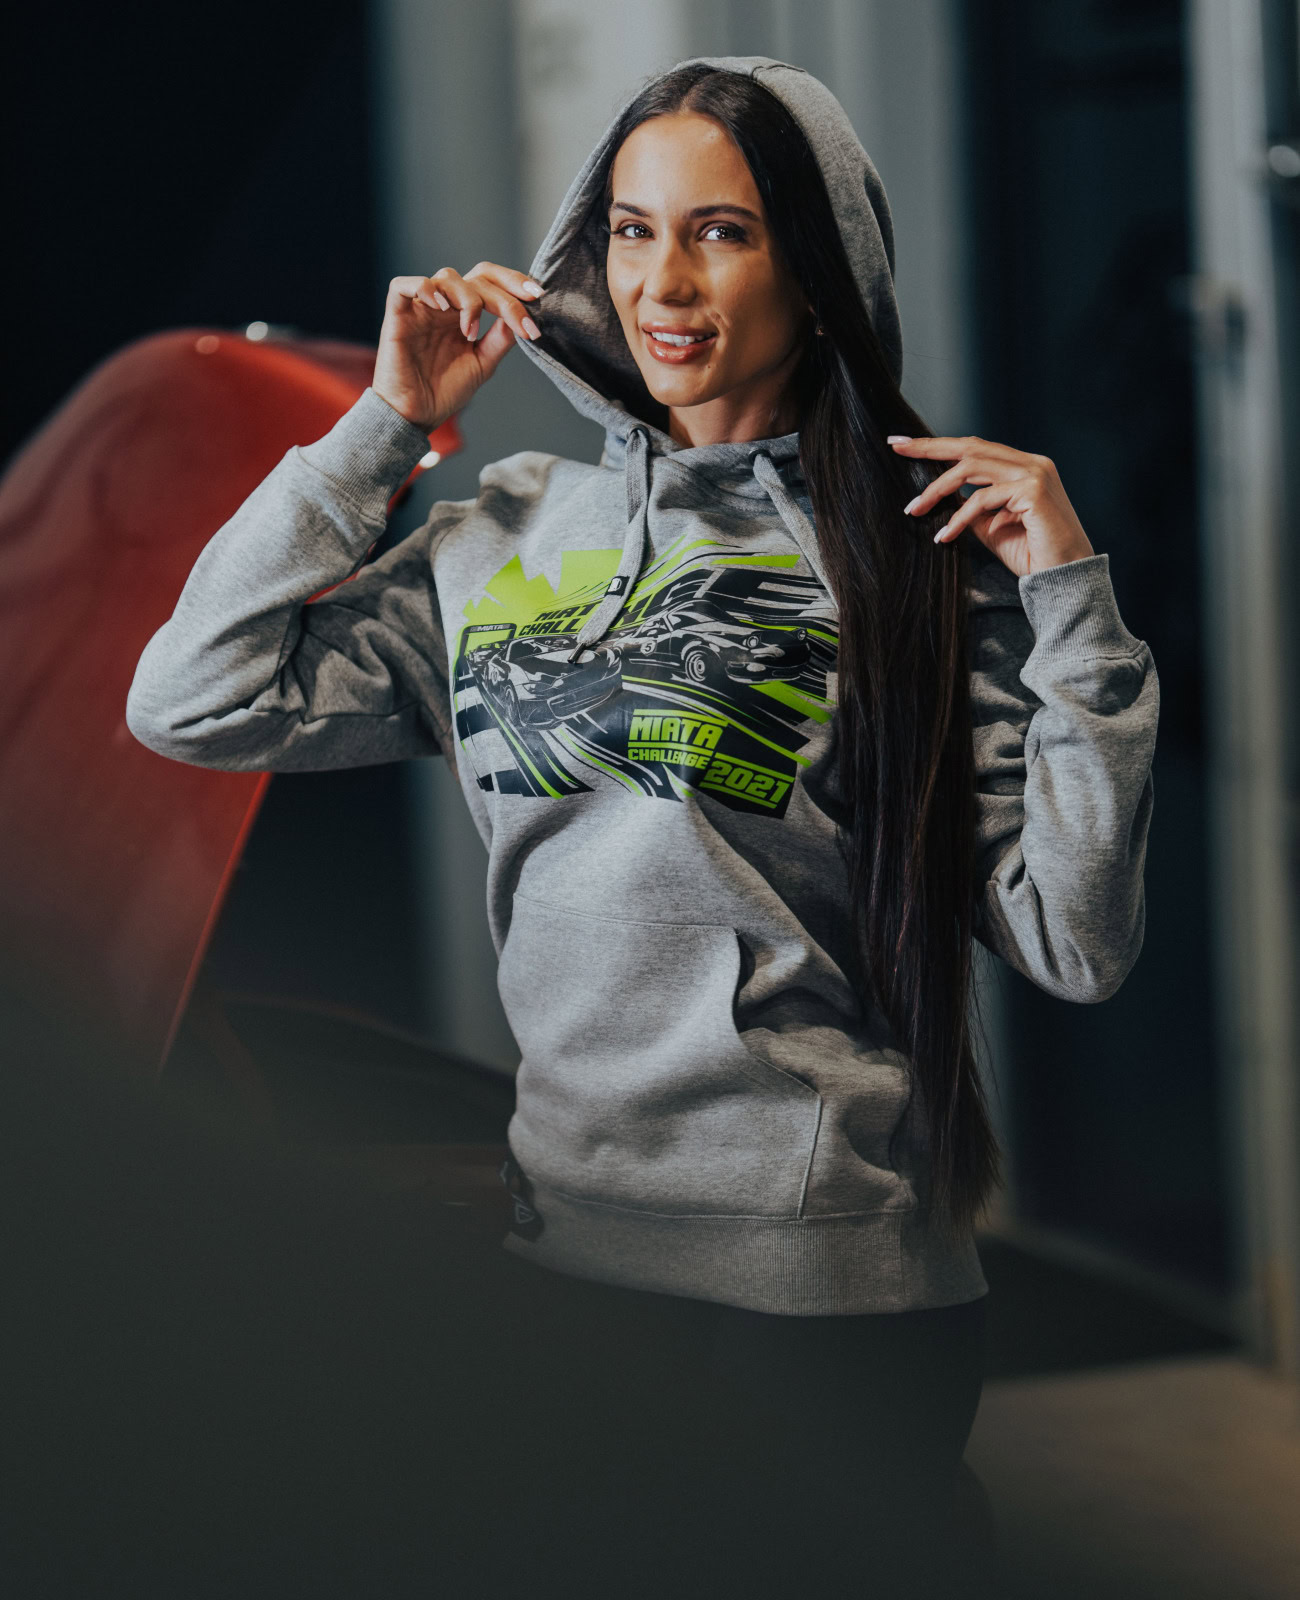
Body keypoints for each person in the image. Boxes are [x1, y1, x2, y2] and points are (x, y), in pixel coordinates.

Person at [126, 54, 1159, 1597]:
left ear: (819, 272)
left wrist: (1072, 607)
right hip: (565, 1247)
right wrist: (383, 429)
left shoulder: (916, 564)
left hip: (827, 1291)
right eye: (630, 230)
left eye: (722, 233)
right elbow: (191, 700)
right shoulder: (502, 534)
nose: (663, 283)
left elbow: (1075, 941)